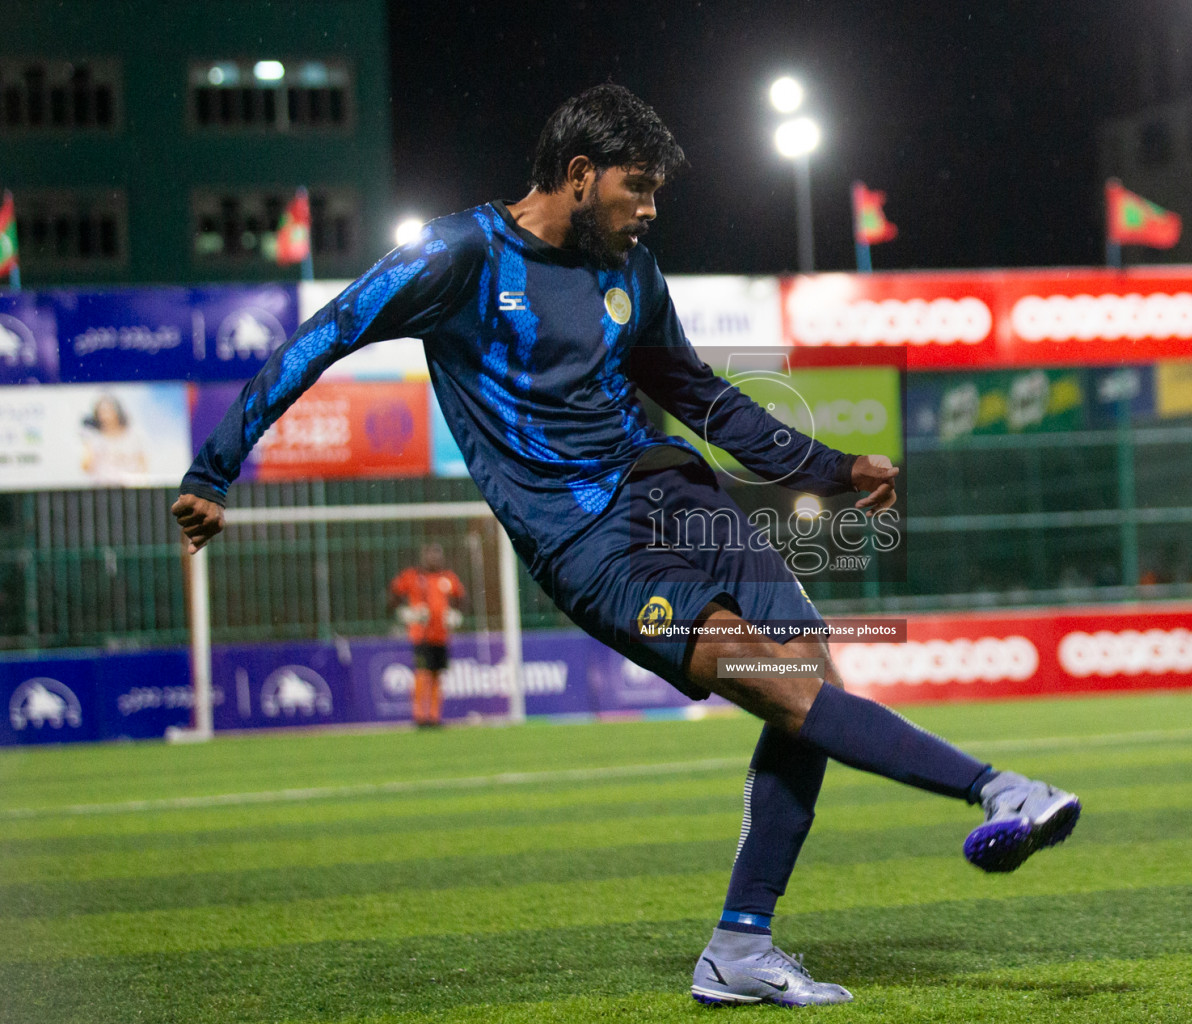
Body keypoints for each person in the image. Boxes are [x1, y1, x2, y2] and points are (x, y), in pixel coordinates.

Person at [170, 84, 1078, 1007]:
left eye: (655, 193)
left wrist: (831, 469)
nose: (648, 210)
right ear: (577, 175)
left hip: (679, 497)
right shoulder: (461, 255)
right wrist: (213, 470)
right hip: (588, 547)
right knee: (777, 686)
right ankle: (997, 788)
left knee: (812, 681)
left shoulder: (631, 271)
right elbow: (323, 335)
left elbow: (703, 396)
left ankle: (740, 946)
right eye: (635, 188)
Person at [387, 543, 466, 727]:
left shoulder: (448, 578)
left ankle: (434, 716)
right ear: (424, 557)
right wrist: (405, 612)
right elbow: (393, 595)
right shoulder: (413, 576)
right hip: (421, 635)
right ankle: (420, 716)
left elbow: (462, 598)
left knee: (437, 674)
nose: (435, 558)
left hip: (441, 635)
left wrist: (455, 614)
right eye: (431, 555)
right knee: (423, 673)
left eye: (438, 555)